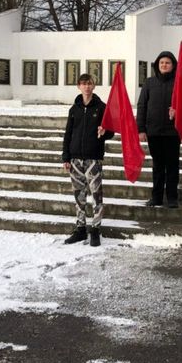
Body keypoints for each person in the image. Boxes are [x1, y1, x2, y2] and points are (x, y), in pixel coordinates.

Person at [62, 73, 114, 247]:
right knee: (79, 196)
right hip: (75, 159)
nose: (86, 86)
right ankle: (80, 229)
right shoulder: (74, 109)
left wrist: (104, 132)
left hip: (93, 159)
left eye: (89, 83)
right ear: (78, 86)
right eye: (83, 84)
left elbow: (111, 131)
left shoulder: (101, 107)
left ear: (94, 86)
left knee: (96, 195)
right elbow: (68, 134)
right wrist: (66, 157)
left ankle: (96, 229)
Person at [137, 51, 181, 208]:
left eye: (167, 63)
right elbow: (142, 105)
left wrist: (178, 110)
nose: (164, 65)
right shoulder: (149, 82)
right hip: (154, 131)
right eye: (162, 62)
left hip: (172, 131)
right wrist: (141, 129)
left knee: (172, 165)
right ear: (157, 65)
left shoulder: (179, 82)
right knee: (158, 165)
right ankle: (156, 197)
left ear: (173, 65)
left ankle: (172, 197)